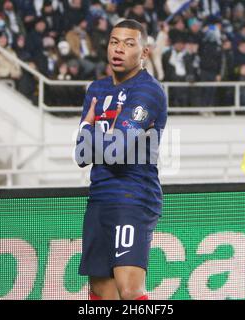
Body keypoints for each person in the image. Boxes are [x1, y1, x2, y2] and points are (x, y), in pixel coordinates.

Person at [75, 19, 167, 300]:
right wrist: (95, 134)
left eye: (129, 44)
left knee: (129, 290)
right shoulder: (96, 90)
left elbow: (115, 153)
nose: (119, 49)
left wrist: (89, 130)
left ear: (144, 53)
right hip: (100, 197)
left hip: (133, 195)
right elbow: (80, 155)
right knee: (101, 292)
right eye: (114, 42)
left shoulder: (148, 91)